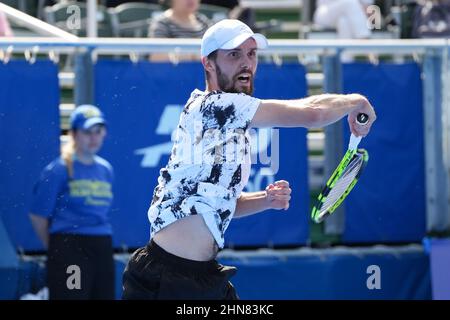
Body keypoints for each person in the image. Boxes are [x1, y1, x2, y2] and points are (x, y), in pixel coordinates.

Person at [122, 19, 376, 300]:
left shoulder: (235, 130)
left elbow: (220, 204)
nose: (246, 63)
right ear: (208, 63)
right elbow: (312, 114)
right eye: (234, 55)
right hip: (165, 279)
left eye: (252, 54)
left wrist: (265, 200)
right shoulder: (211, 106)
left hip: (204, 277)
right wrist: (356, 100)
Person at [29, 105, 115, 300]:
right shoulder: (58, 170)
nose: (94, 138)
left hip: (101, 245)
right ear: (74, 134)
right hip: (69, 247)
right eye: (87, 132)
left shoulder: (106, 169)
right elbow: (38, 215)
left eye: (98, 131)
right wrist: (59, 249)